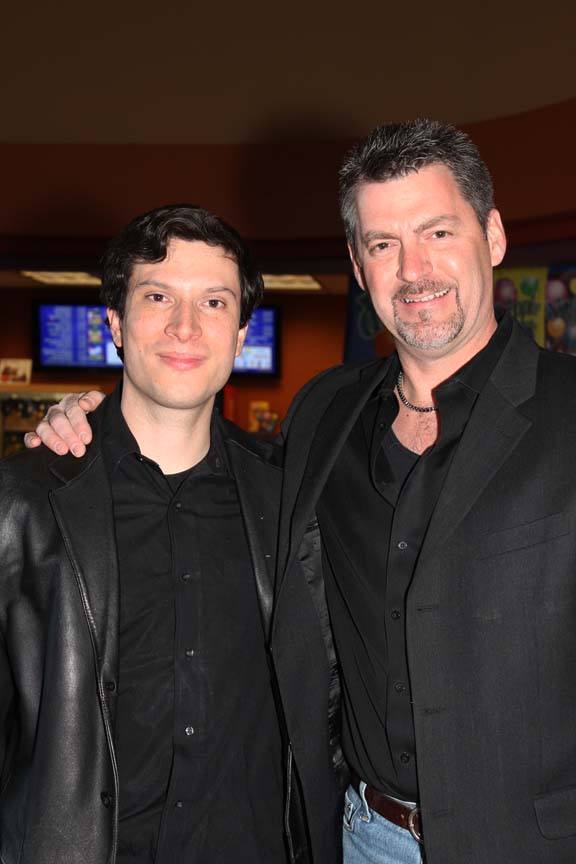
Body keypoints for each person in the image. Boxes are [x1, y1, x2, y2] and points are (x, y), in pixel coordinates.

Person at [29, 119, 576, 863]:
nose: (414, 270)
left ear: (495, 237)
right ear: (357, 264)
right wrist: (66, 426)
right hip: (354, 836)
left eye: (438, 233)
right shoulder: (324, 417)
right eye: (384, 245)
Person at [1, 205, 344, 864]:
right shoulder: (23, 504)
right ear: (115, 324)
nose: (185, 326)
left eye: (213, 302)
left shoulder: (294, 501)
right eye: (157, 296)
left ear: (241, 333)